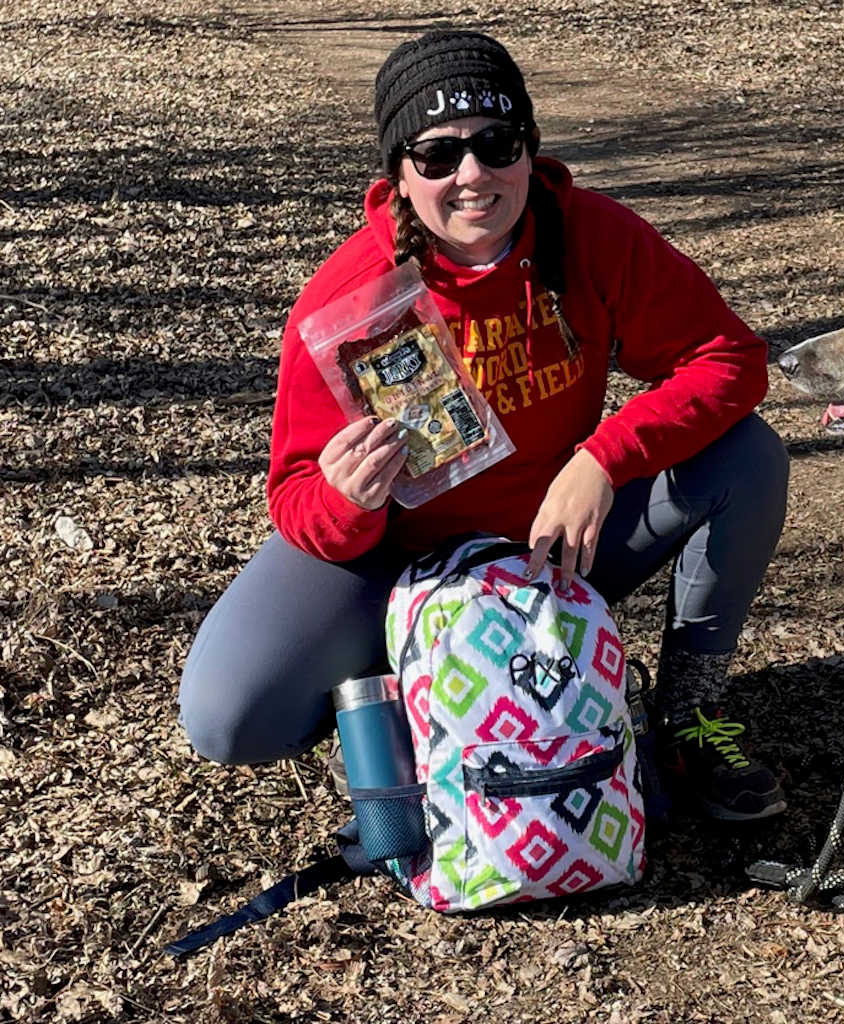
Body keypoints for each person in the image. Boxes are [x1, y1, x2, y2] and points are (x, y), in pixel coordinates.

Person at [179, 30, 790, 821]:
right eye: (436, 156)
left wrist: (601, 459)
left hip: (554, 543)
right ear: (399, 174)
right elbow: (295, 502)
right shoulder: (349, 299)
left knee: (747, 457)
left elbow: (732, 358)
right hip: (390, 564)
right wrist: (348, 500)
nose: (472, 175)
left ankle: (691, 715)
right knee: (228, 718)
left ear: (529, 151)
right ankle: (427, 690)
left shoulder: (592, 236)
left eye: (496, 144)